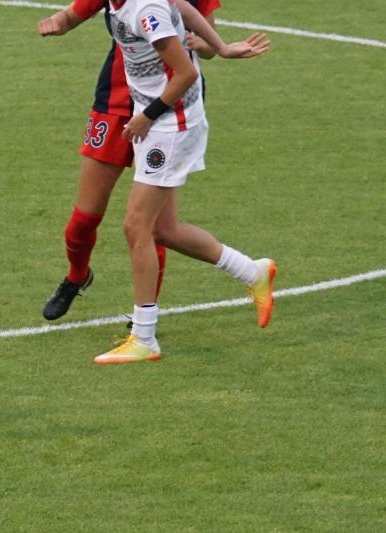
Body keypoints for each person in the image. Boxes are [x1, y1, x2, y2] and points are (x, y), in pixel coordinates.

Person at [36, 0, 266, 320]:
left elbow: (199, 44)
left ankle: (143, 322)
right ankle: (77, 276)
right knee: (85, 219)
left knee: (150, 225)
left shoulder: (150, 7)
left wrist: (210, 45)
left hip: (166, 110)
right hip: (116, 102)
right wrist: (58, 22)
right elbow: (73, 14)